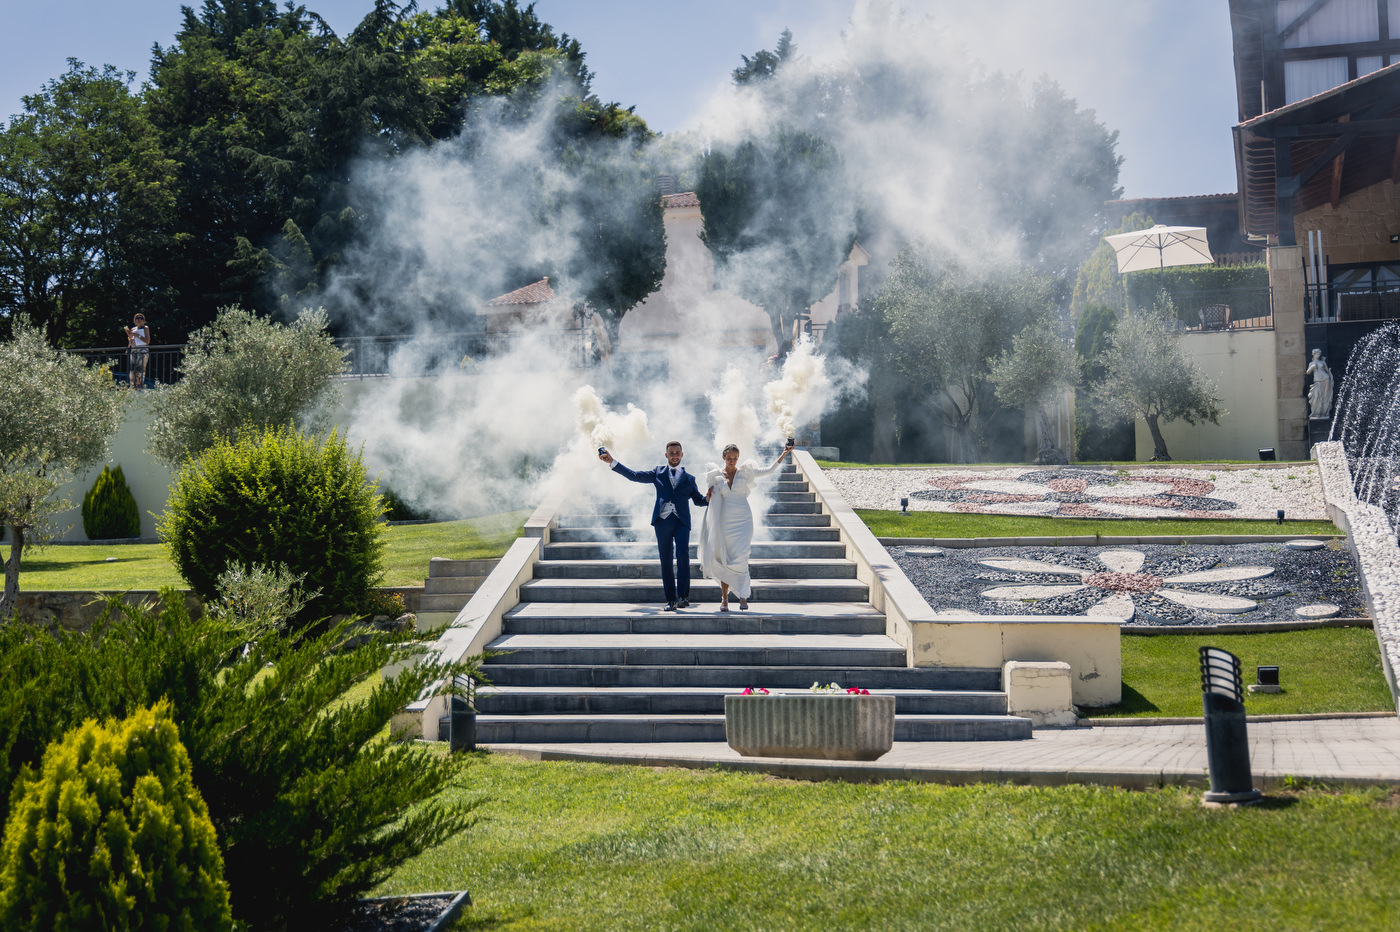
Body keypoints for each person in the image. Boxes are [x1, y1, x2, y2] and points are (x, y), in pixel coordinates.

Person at [600, 441, 708, 611]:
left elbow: (699, 500)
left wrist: (710, 498)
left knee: (683, 557)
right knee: (665, 560)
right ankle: (671, 600)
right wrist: (613, 462)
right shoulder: (658, 472)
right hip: (662, 522)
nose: (674, 455)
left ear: (682, 454)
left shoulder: (689, 479)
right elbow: (634, 475)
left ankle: (683, 597)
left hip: (682, 523)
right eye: (671, 453)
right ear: (666, 455)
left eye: (677, 452)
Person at [699, 440, 793, 611]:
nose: (732, 461)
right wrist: (709, 495)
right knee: (724, 558)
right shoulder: (716, 475)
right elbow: (710, 497)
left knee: (742, 557)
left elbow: (768, 470)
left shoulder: (745, 472)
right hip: (724, 520)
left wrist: (783, 454)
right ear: (723, 457)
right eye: (729, 458)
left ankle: (743, 596)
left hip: (743, 520)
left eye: (735, 458)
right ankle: (724, 598)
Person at [124, 313, 152, 390]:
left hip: (142, 349)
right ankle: (132, 386)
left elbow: (147, 341)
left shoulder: (145, 328)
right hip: (134, 350)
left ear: (143, 320)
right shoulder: (133, 329)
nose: (139, 320)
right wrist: (130, 339)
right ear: (135, 320)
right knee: (132, 369)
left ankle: (139, 386)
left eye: (141, 318)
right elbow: (131, 340)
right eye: (137, 318)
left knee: (139, 368)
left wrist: (138, 335)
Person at [1306, 348, 1334, 419]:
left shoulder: (1322, 362)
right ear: (1313, 354)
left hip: (1325, 379)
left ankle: (1324, 413)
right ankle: (1315, 412)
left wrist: (1330, 376)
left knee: (1325, 396)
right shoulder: (1311, 363)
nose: (1318, 355)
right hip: (1317, 381)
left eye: (1319, 354)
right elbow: (1308, 372)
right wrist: (1312, 367)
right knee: (1316, 396)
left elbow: (1327, 371)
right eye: (1316, 354)